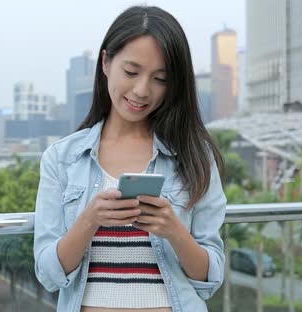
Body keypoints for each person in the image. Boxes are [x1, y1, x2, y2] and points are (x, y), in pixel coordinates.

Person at [33, 5, 226, 312]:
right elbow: (47, 274)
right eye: (131, 72)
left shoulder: (195, 156)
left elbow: (210, 279)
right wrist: (90, 220)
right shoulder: (62, 158)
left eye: (160, 79)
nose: (141, 90)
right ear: (106, 62)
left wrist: (173, 230)